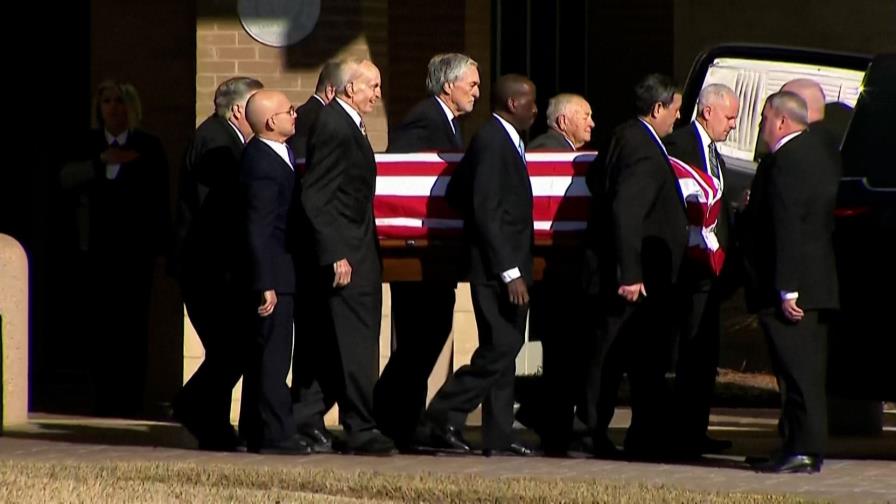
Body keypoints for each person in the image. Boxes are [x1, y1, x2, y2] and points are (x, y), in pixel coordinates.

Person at [421, 74, 538, 457]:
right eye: (531, 103)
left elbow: (460, 194)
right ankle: (444, 411)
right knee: (504, 345)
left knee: (502, 348)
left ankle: (499, 435)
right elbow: (486, 209)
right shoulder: (492, 141)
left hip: (506, 262)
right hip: (497, 268)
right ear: (513, 104)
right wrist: (510, 270)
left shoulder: (502, 140)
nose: (536, 110)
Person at [374, 53, 480, 450]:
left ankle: (399, 417)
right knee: (420, 339)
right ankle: (393, 418)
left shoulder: (447, 123)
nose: (477, 92)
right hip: (416, 254)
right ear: (448, 86)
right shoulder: (425, 119)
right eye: (471, 84)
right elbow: (409, 177)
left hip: (435, 256)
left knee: (427, 339)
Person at [581, 73, 687, 459]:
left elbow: (598, 181)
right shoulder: (643, 146)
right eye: (674, 110)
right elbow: (627, 210)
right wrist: (630, 273)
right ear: (657, 108)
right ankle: (591, 432)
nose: (677, 118)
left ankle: (619, 433)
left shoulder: (623, 135)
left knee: (622, 356)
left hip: (621, 271)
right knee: (612, 357)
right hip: (631, 278)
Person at [300, 58, 396, 455]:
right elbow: (317, 196)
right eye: (372, 86)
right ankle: (361, 427)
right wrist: (335, 253)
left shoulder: (346, 124)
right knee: (355, 342)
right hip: (347, 256)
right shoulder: (335, 125)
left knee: (331, 342)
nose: (377, 94)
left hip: (355, 251)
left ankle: (305, 420)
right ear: (348, 88)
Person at [743, 91, 839, 474]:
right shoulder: (820, 155)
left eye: (765, 117)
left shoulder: (785, 161)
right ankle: (797, 444)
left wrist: (788, 288)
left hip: (795, 285)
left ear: (781, 120)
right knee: (806, 371)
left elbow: (788, 227)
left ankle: (804, 448)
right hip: (818, 280)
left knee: (797, 373)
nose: (762, 124)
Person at [173, 77, 263, 451]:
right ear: (239, 110)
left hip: (210, 266)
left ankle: (213, 426)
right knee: (234, 348)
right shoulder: (219, 142)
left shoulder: (223, 138)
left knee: (228, 348)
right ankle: (193, 406)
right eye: (257, 106)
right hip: (210, 268)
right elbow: (223, 209)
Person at [79, 80, 170, 418]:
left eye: (120, 101)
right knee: (100, 328)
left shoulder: (148, 146)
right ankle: (101, 401)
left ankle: (130, 401)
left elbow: (161, 202)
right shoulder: (86, 144)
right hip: (95, 254)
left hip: (135, 256)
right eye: (107, 101)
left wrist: (161, 251)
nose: (113, 108)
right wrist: (99, 162)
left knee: (132, 329)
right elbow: (63, 180)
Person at [663, 83, 739, 457]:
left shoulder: (715, 153)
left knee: (706, 353)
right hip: (687, 270)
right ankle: (681, 433)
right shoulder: (679, 147)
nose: (732, 126)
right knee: (690, 353)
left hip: (712, 272)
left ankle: (698, 429)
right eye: (729, 118)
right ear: (708, 111)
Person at [520, 92, 596, 455]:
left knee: (561, 356)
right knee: (561, 355)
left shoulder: (554, 150)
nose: (592, 123)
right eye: (586, 116)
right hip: (554, 273)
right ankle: (551, 425)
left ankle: (546, 417)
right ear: (563, 121)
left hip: (558, 272)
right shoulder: (549, 155)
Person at [238, 90, 310, 455]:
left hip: (284, 271)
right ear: (270, 121)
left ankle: (254, 429)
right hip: (274, 276)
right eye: (289, 111)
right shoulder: (261, 162)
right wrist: (264, 282)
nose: (294, 115)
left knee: (266, 353)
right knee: (273, 357)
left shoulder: (278, 152)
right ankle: (277, 434)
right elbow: (259, 226)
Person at [287, 61, 341, 453]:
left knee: (318, 340)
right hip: (313, 251)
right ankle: (305, 419)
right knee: (316, 340)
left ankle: (308, 417)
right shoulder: (314, 121)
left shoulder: (309, 118)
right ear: (336, 91)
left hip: (313, 248)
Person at [528, 93, 594, 150]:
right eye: (585, 118)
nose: (592, 124)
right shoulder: (548, 148)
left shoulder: (559, 146)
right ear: (563, 121)